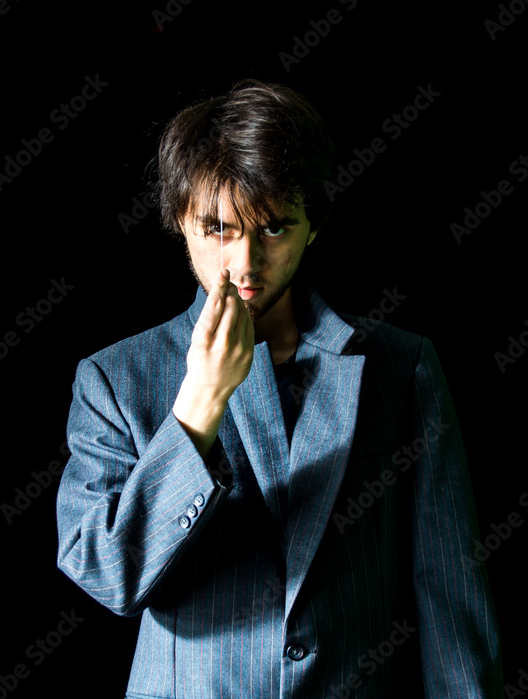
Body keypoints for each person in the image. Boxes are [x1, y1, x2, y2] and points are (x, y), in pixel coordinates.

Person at [56, 79, 502, 697]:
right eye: (218, 229)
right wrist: (199, 407)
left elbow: (451, 596)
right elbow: (108, 577)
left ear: (311, 224)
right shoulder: (114, 379)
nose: (244, 263)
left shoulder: (402, 366)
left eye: (272, 229)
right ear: (180, 220)